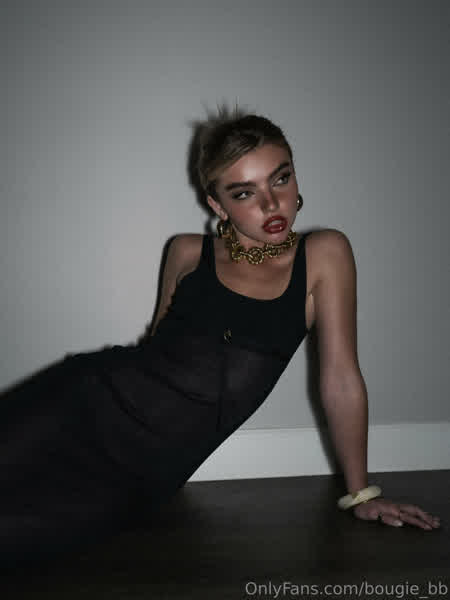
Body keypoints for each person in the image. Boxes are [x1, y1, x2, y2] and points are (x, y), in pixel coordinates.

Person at [0, 108, 440, 571]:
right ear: (218, 205)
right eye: (244, 193)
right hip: (81, 400)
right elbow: (155, 352)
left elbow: (341, 378)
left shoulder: (323, 254)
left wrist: (360, 493)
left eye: (281, 179)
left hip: (146, 470)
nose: (271, 204)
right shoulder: (188, 251)